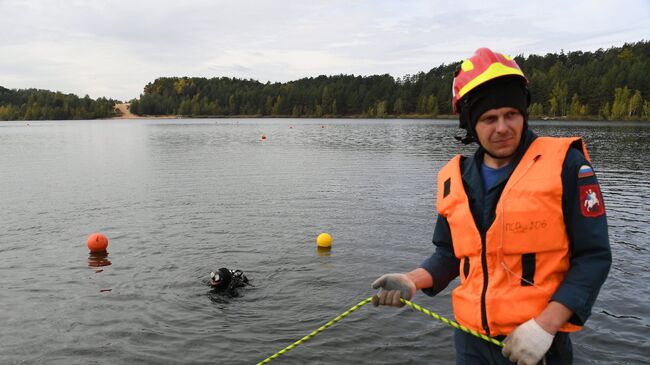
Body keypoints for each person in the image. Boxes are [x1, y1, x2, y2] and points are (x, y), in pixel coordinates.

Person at [371, 48, 611, 365]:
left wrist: (546, 325)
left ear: (524, 113)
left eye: (511, 114)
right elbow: (449, 253)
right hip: (470, 342)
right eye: (488, 118)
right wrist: (412, 280)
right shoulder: (454, 178)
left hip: (538, 343)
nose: (502, 128)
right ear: (471, 123)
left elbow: (593, 257)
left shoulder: (566, 165)